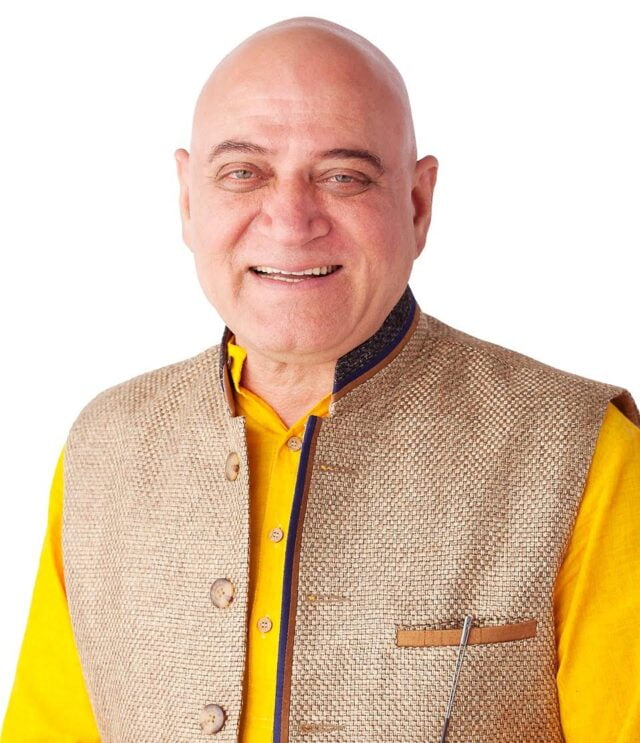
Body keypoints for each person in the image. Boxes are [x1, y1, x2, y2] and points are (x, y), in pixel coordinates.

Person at [2, 15, 639, 743]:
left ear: (418, 203)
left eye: (343, 177)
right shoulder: (103, 449)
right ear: (187, 200)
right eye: (244, 173)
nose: (290, 219)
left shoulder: (583, 452)